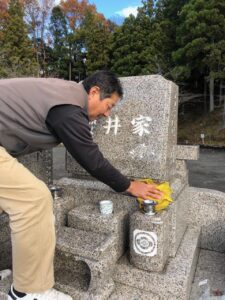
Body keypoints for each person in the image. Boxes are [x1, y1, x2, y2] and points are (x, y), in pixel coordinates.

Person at [0, 70, 163, 300]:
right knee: (33, 200)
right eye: (109, 106)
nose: (107, 115)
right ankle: (28, 291)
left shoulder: (62, 94)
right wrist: (129, 186)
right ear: (94, 92)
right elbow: (90, 158)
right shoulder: (68, 106)